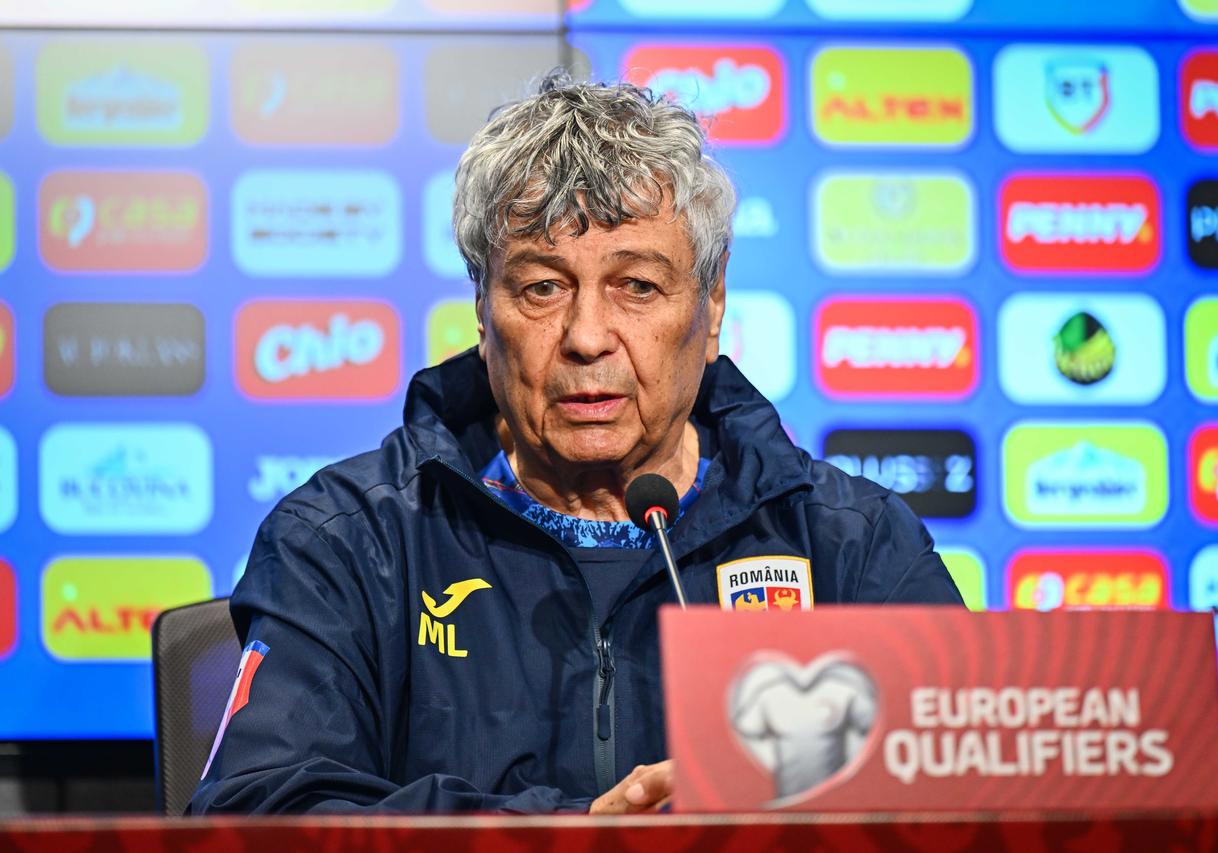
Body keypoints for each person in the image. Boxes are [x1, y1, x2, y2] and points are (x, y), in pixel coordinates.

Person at [190, 71, 963, 816]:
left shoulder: (847, 543)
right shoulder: (353, 540)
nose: (587, 337)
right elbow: (255, 810)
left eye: (637, 286)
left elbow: (978, 804)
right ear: (483, 309)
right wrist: (567, 835)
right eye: (541, 287)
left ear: (713, 298)